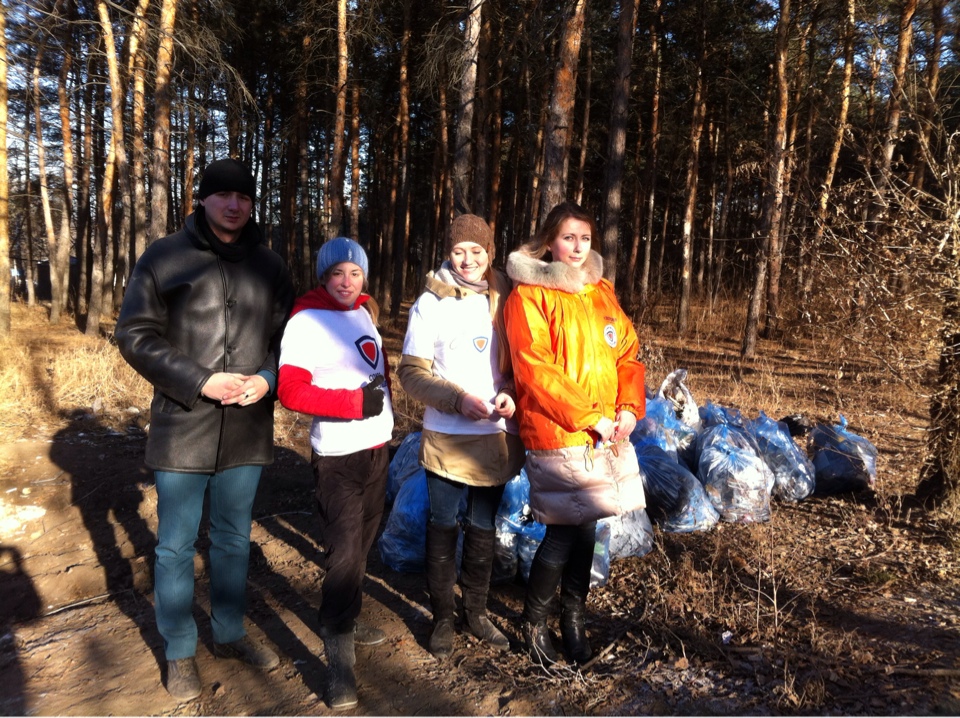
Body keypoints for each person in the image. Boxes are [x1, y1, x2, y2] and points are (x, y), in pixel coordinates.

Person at [116, 158, 294, 701]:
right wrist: (200, 381)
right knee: (173, 547)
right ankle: (179, 650)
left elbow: (289, 339)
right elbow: (135, 335)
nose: (235, 205)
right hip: (182, 426)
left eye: (244, 196)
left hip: (247, 425)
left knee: (234, 540)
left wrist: (268, 379)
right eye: (224, 195)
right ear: (203, 198)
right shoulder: (164, 257)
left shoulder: (270, 265)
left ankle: (230, 632)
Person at [503, 201, 646, 667]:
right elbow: (534, 368)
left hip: (604, 433)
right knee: (564, 534)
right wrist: (588, 415)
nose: (578, 247)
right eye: (568, 238)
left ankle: (574, 619)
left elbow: (628, 353)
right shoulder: (528, 296)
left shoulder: (601, 292)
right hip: (560, 429)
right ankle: (535, 624)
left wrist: (628, 406)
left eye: (585, 238)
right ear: (549, 242)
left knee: (588, 531)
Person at [397, 215, 525, 659]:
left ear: (491, 251)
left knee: (484, 527)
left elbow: (518, 363)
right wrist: (456, 400)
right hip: (447, 438)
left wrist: (509, 394)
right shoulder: (430, 302)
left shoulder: (507, 295)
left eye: (477, 251)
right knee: (443, 526)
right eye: (458, 251)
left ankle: (476, 611)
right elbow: (410, 374)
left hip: (495, 436)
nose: (468, 260)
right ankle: (443, 619)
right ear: (447, 252)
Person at [277, 237, 394, 710]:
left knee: (363, 544)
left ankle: (345, 617)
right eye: (338, 273)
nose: (347, 282)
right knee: (343, 554)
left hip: (377, 451)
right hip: (338, 456)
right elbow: (290, 391)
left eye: (355, 274)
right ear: (323, 276)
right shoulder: (306, 320)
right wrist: (350, 405)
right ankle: (338, 662)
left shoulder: (364, 313)